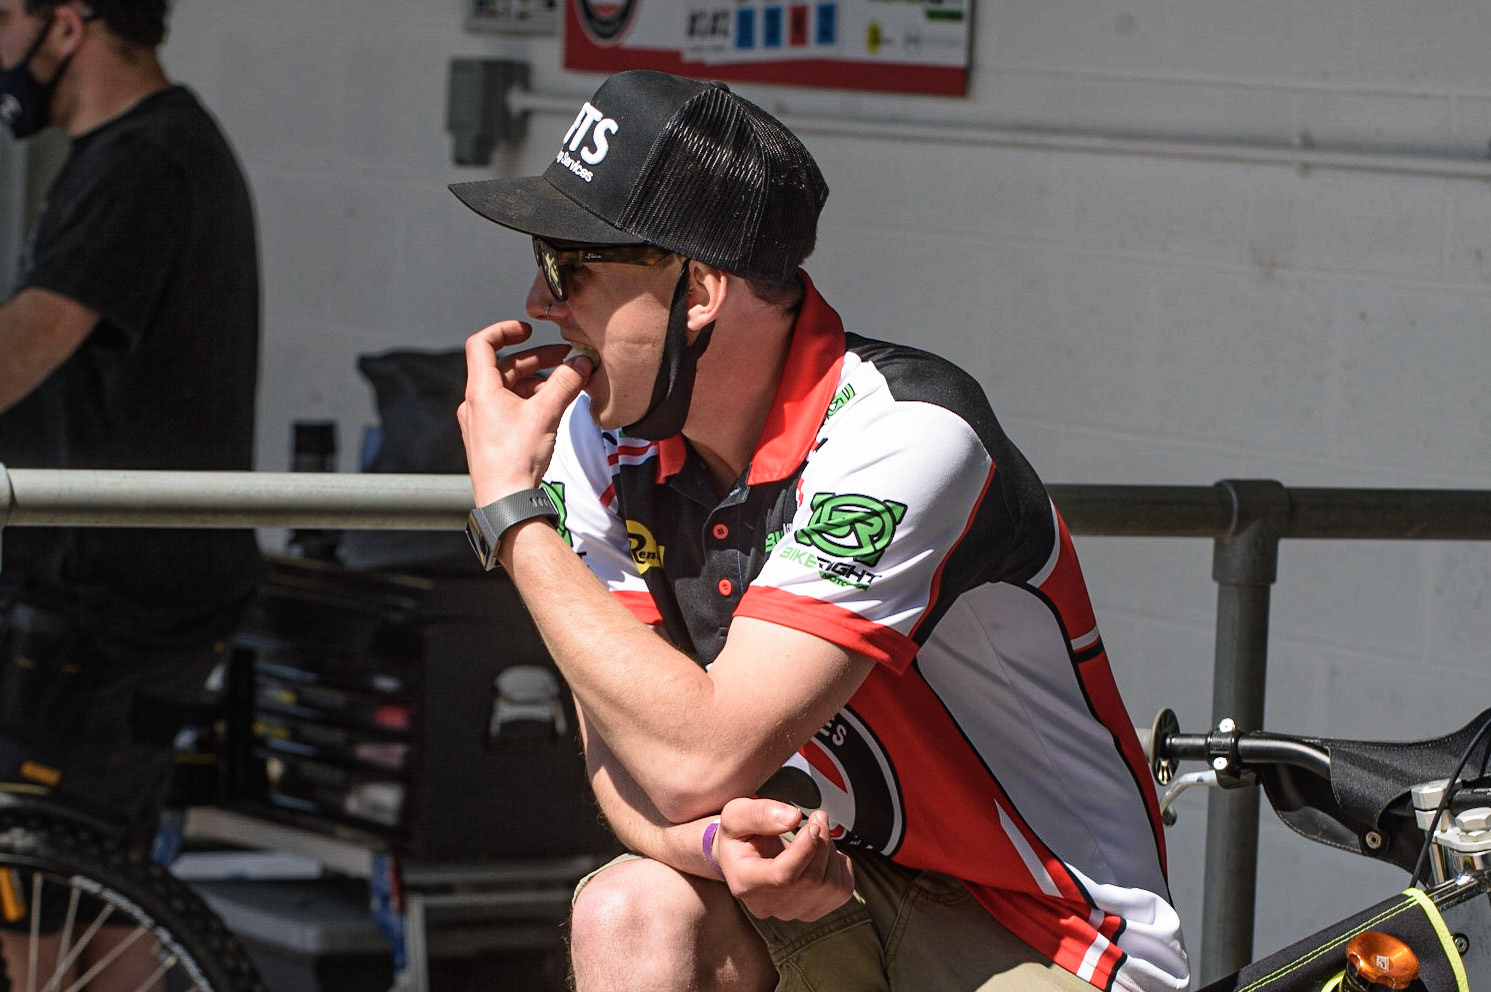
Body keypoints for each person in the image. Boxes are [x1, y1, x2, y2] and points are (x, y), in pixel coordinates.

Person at [452, 69, 1190, 992]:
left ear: (700, 290)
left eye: (571, 264)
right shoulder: (600, 439)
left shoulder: (905, 434)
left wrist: (514, 517)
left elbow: (691, 758)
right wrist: (711, 841)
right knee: (629, 909)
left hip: (1043, 931)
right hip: (830, 882)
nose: (540, 298)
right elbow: (624, 758)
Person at [0, 0, 260, 986]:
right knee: (92, 896)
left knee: (37, 887)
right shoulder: (130, 151)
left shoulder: (145, 161)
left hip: (110, 597)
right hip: (110, 585)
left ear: (65, 23)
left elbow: (26, 343)